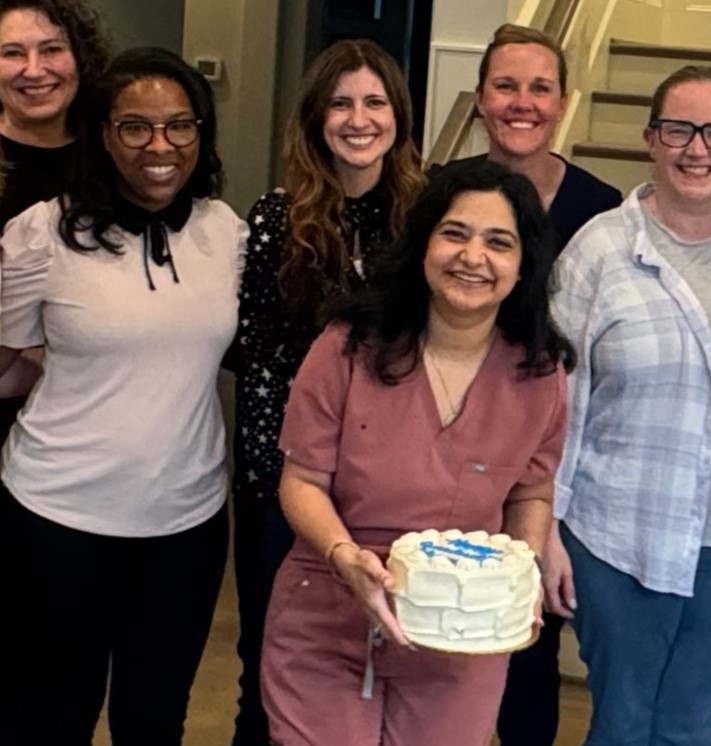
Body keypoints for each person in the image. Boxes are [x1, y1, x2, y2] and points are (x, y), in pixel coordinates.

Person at [261, 159, 574, 746]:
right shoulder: (347, 346)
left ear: (524, 262)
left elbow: (531, 490)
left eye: (498, 242)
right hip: (329, 618)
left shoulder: (540, 371)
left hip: (462, 640)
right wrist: (343, 554)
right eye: (454, 233)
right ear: (424, 241)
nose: (472, 257)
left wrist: (522, 570)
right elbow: (300, 482)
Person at [0, 47, 247, 745]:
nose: (161, 146)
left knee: (155, 720)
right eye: (135, 127)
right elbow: (7, 366)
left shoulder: (226, 233)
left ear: (202, 132)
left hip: (186, 524)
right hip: (56, 517)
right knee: (48, 717)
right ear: (102, 135)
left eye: (180, 125)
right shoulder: (40, 234)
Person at [231, 38, 424, 745]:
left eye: (375, 101)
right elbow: (258, 365)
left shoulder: (427, 218)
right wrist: (268, 480)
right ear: (315, 118)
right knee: (273, 666)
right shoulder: (277, 219)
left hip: (393, 486)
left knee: (392, 663)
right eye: (341, 102)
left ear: (398, 116)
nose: (358, 118)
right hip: (288, 485)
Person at [435, 23, 622, 746]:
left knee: (528, 639)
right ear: (480, 99)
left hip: (545, 456)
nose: (522, 102)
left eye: (539, 87)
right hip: (450, 441)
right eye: (506, 86)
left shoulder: (602, 210)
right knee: (441, 633)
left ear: (563, 101)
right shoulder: (446, 198)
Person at [548, 65, 711, 745]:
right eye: (679, 130)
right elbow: (556, 405)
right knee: (624, 724)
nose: (699, 149)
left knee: (692, 727)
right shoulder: (598, 251)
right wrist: (547, 528)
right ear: (649, 140)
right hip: (619, 541)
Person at [0, 0, 110, 447]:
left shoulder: (115, 156)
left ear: (79, 57)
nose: (34, 69)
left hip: (93, 420)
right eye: (12, 53)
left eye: (51, 49)